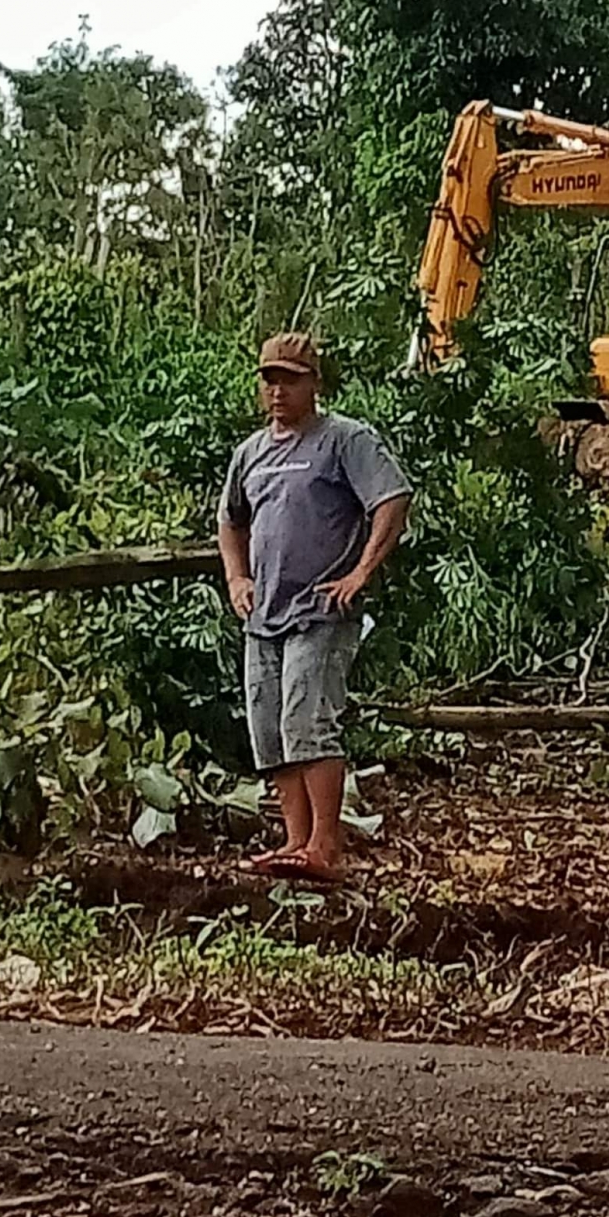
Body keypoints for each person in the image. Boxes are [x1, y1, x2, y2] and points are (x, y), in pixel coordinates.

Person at [218, 331, 412, 883]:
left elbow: (392, 499)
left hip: (321, 610)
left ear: (314, 384)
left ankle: (325, 845)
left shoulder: (345, 439)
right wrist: (237, 577)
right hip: (264, 614)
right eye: (270, 380)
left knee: (308, 722)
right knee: (270, 730)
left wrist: (361, 572)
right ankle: (293, 841)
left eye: (290, 380)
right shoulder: (250, 454)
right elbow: (230, 520)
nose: (278, 391)